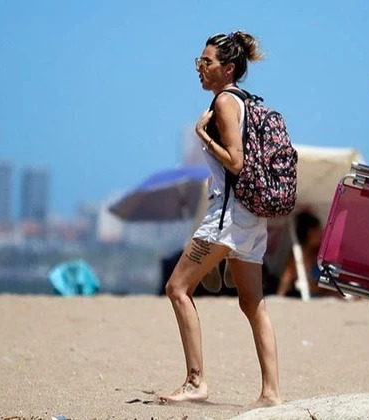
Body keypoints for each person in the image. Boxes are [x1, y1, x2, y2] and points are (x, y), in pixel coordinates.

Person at [160, 31, 281, 407]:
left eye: (206, 62)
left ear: (228, 69)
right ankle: (271, 393)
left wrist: (202, 135)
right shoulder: (245, 101)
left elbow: (236, 161)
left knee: (177, 289)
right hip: (250, 218)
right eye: (199, 61)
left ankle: (196, 381)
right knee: (252, 302)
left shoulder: (226, 102)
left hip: (227, 217)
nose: (200, 68)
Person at [275, 210, 329, 297]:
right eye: (319, 230)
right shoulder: (297, 256)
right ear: (310, 233)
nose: (322, 233)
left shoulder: (322, 253)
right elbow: (286, 280)